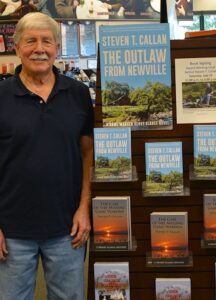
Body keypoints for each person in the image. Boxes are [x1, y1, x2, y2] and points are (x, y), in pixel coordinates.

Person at [0, 12, 94, 300]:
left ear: (56, 48)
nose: (39, 48)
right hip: (12, 232)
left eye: (46, 41)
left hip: (67, 228)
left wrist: (84, 207)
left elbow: (88, 153)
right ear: (17, 48)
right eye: (30, 41)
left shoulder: (78, 94)